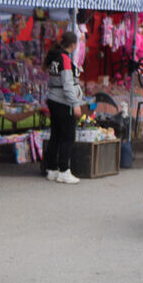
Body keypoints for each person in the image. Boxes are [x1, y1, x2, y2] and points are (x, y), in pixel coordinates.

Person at [43, 31, 83, 184]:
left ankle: (52, 169)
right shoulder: (65, 59)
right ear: (73, 45)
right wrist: (76, 104)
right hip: (63, 102)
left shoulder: (55, 57)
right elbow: (67, 85)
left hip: (53, 99)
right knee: (68, 136)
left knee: (56, 135)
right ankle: (64, 170)